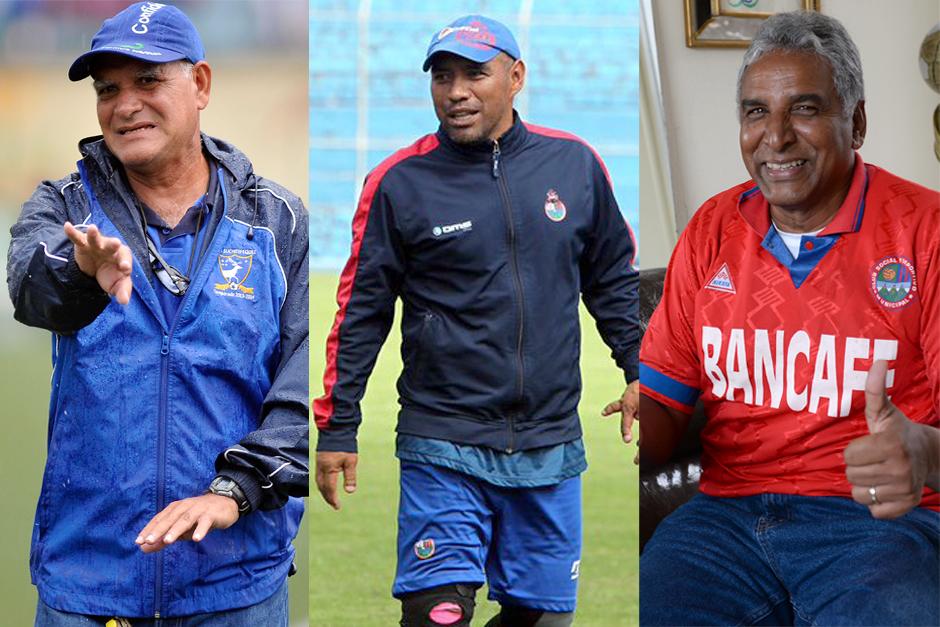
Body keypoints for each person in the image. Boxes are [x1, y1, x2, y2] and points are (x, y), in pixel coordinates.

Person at [312, 14, 638, 627]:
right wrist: (338, 428)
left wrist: (638, 366)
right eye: (442, 75)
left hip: (550, 443)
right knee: (439, 615)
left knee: (544, 620)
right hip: (445, 439)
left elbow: (613, 279)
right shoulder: (398, 182)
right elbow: (361, 313)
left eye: (474, 74)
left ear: (515, 78)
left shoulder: (575, 166)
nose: (456, 90)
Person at [6, 3, 308, 624]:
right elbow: (32, 289)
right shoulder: (63, 207)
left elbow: (306, 380)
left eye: (148, 81)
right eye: (108, 88)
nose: (125, 104)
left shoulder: (277, 220)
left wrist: (239, 489)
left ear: (199, 84)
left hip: (235, 580)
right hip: (90, 581)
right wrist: (81, 274)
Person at [638, 11, 939, 626]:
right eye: (755, 112)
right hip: (723, 522)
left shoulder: (924, 232)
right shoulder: (710, 231)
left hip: (879, 522)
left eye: (803, 109)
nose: (775, 137)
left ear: (854, 123)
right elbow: (664, 402)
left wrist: (927, 452)